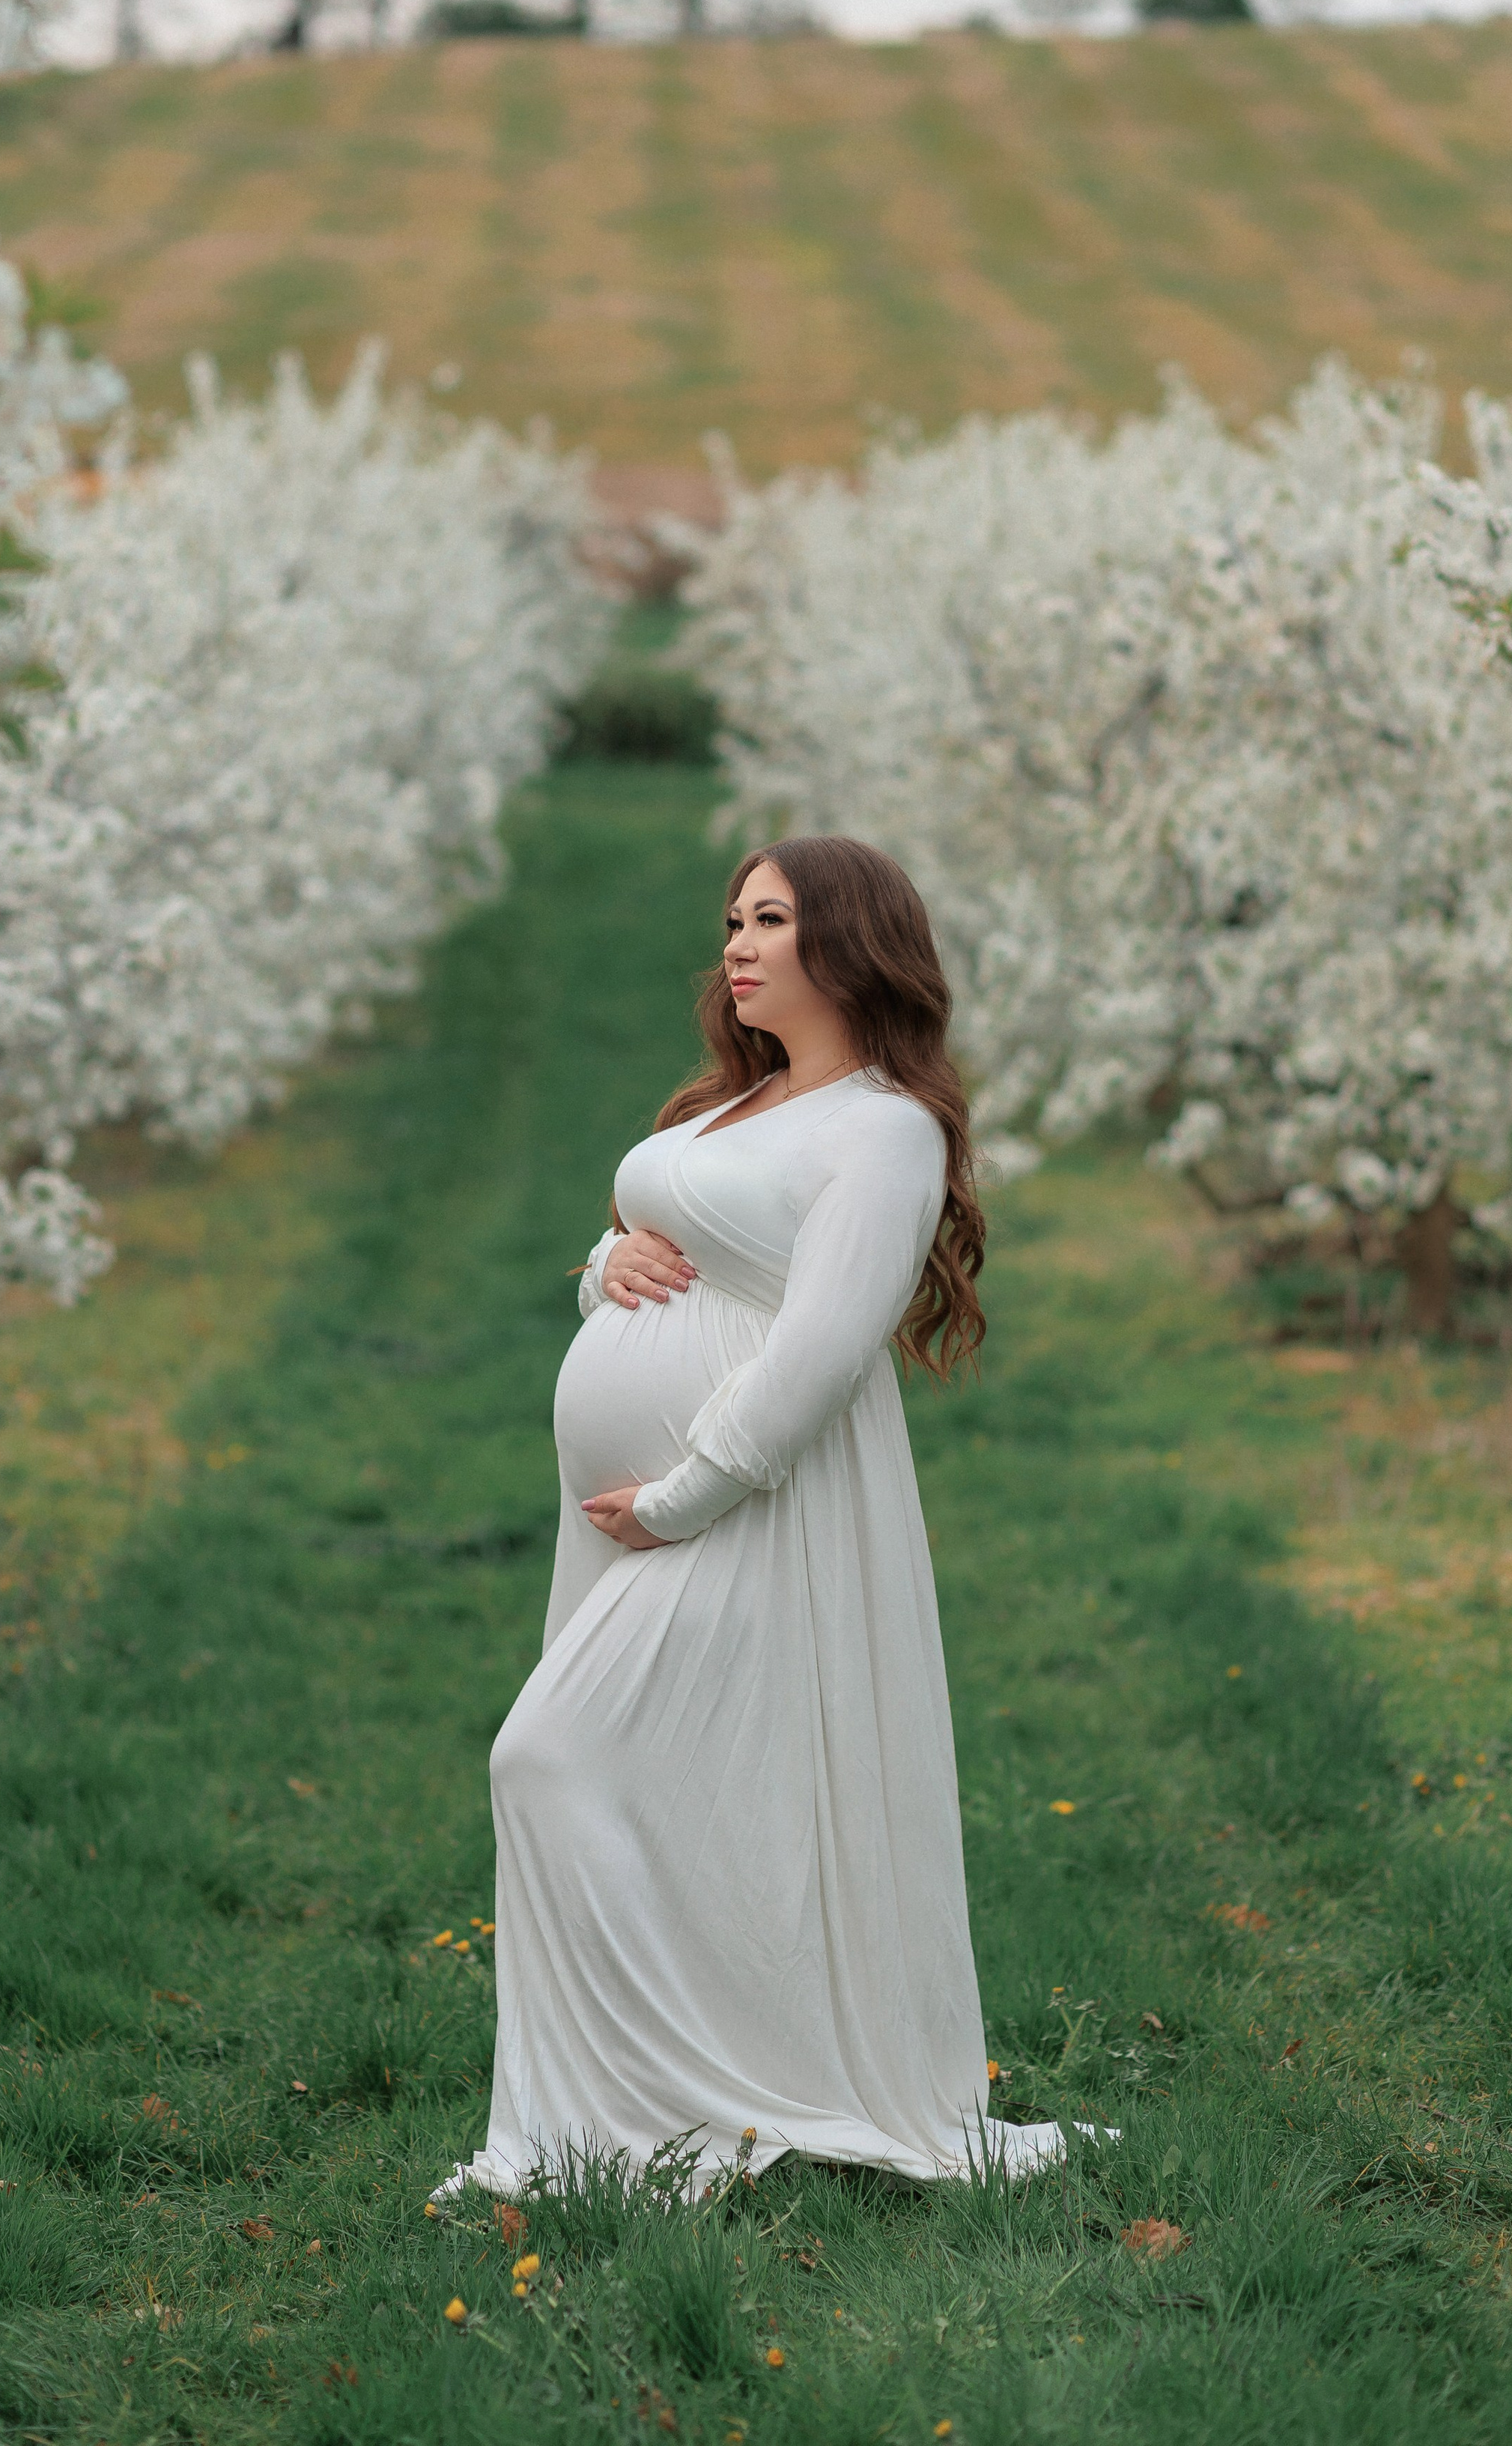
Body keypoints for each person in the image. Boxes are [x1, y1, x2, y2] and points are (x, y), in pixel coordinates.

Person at [436, 835, 1067, 2200]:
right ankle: (641, 2104)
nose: (735, 942)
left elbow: (825, 1346)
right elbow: (649, 1251)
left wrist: (682, 1494)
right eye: (732, 917)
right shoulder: (739, 1107)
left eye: (770, 919)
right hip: (644, 1516)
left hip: (748, 1508)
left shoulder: (884, 1130)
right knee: (676, 1788)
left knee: (545, 1759)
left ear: (849, 943)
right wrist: (607, 1261)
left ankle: (663, 2102)